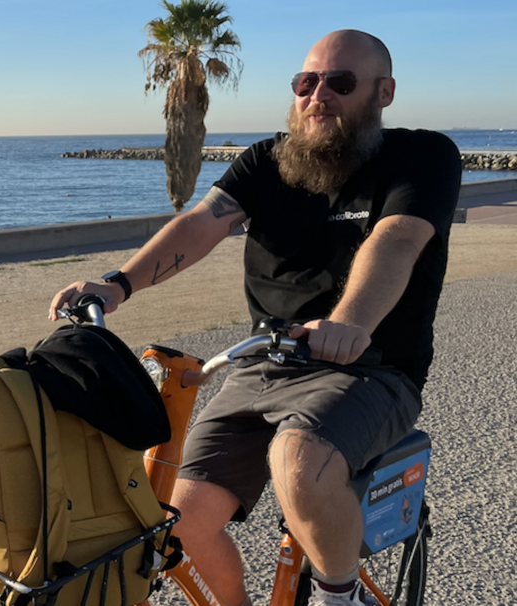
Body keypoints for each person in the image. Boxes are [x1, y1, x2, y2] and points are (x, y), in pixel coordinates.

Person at [47, 30, 460, 606]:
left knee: (300, 463)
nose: (319, 95)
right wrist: (118, 284)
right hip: (263, 366)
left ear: (383, 92)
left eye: (340, 83)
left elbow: (396, 240)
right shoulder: (267, 160)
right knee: (175, 525)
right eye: (306, 82)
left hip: (367, 369)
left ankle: (339, 597)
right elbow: (203, 223)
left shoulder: (423, 156)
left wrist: (351, 323)